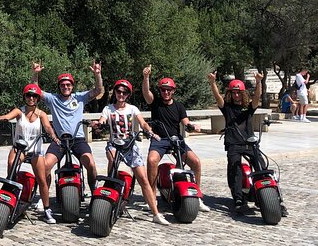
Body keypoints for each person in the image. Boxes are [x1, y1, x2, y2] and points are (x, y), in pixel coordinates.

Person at [208, 71, 288, 216]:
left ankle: (276, 200)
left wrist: (258, 82)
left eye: (239, 92)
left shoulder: (248, 108)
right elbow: (217, 97)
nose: (236, 95)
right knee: (235, 169)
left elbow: (257, 98)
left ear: (243, 93)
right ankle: (239, 200)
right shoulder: (227, 107)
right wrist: (213, 83)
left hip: (249, 143)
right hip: (233, 144)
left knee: (262, 167)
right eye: (233, 93)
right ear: (230, 94)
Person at [95, 79, 170, 225]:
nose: (121, 94)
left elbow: (142, 122)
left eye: (124, 92)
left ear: (128, 94)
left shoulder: (133, 109)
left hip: (130, 146)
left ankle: (155, 213)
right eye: (118, 91)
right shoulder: (108, 109)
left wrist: (150, 132)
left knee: (143, 179)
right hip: (114, 145)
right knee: (112, 161)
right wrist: (99, 124)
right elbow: (102, 120)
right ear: (115, 92)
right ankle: (108, 192)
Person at [141, 66, 211, 213]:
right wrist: (146, 77)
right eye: (163, 90)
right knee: (152, 160)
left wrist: (191, 126)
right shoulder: (156, 104)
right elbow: (146, 93)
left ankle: (196, 197)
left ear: (173, 91)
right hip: (159, 139)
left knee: (196, 162)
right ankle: (152, 198)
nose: (166, 92)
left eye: (169, 90)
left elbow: (185, 121)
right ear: (160, 91)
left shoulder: (179, 106)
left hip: (176, 140)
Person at [31, 60, 104, 196]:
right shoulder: (53, 99)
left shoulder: (80, 97)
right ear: (59, 86)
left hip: (78, 139)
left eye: (68, 84)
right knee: (45, 166)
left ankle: (94, 189)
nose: (66, 87)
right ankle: (44, 195)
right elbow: (36, 91)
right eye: (63, 85)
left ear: (72, 86)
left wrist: (97, 74)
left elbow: (98, 90)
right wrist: (35, 74)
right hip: (59, 140)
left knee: (91, 164)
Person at [0, 83, 58, 224]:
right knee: (11, 166)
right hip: (20, 148)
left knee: (42, 178)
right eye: (29, 95)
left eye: (34, 96)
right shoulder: (19, 111)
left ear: (38, 98)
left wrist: (53, 136)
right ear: (25, 97)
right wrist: (0, 119)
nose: (31, 98)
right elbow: (8, 116)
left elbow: (47, 126)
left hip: (35, 150)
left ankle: (47, 210)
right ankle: (10, 198)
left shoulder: (42, 114)